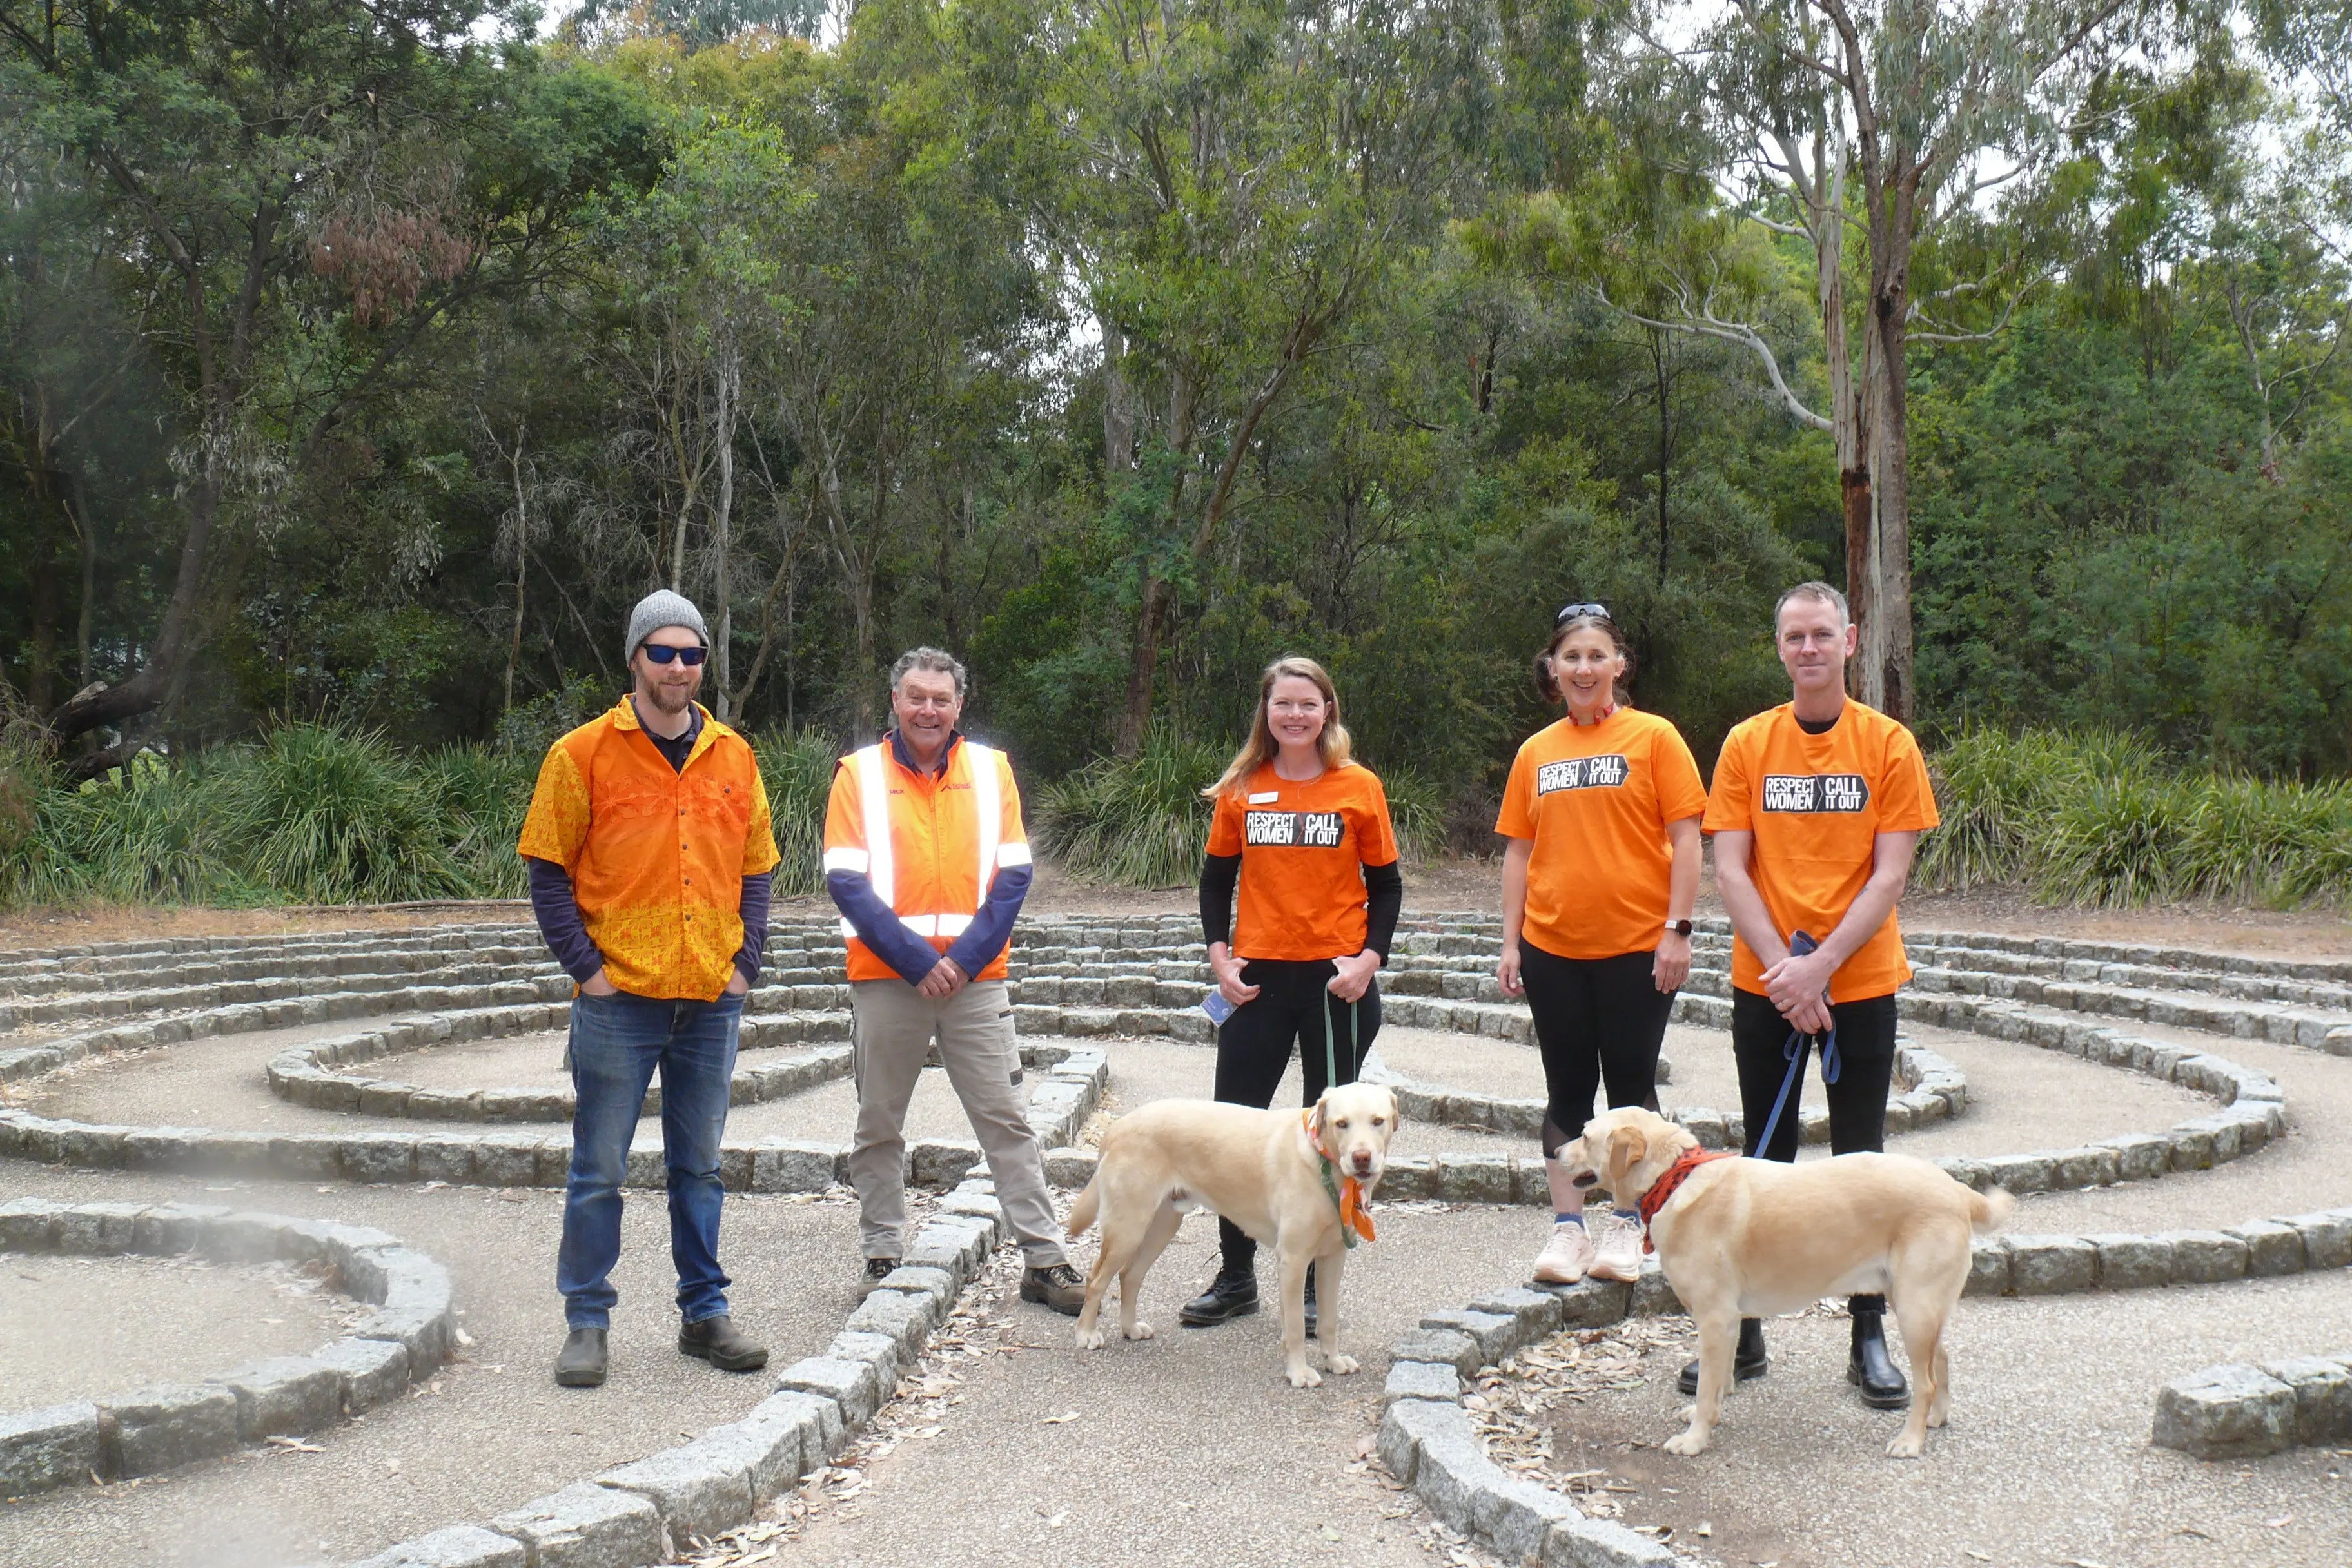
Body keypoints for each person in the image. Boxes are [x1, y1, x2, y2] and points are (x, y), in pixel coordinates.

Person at [518, 589, 781, 1389]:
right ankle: (587, 1321)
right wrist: (586, 971)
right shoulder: (582, 753)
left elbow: (759, 865)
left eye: (691, 653)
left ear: (704, 662)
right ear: (634, 658)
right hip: (618, 999)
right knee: (598, 1166)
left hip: (709, 995)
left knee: (698, 1167)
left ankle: (704, 1313)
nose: (677, 667)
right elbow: (547, 866)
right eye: (661, 652)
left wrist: (747, 963)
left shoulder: (735, 754)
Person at [1694, 581, 1941, 1407]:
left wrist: (1822, 966)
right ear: (1780, 646)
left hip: (1859, 981)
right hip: (1767, 981)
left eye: (1822, 634)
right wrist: (1785, 972)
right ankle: (1747, 1331)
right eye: (1794, 635)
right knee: (1761, 1163)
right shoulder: (1746, 743)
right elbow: (1728, 867)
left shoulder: (1888, 744)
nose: (1808, 648)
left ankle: (1868, 1332)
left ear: (1849, 639)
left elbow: (1891, 872)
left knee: (1861, 1165)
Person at [822, 647, 1086, 1313]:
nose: (928, 709)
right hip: (887, 979)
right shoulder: (858, 774)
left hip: (976, 980)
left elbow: (1013, 875)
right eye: (916, 696)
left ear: (959, 705)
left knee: (1007, 1120)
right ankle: (883, 1251)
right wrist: (917, 959)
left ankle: (1045, 1258)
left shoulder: (991, 769)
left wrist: (961, 961)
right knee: (879, 1120)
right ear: (895, 700)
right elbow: (847, 880)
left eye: (941, 698)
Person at [1181, 656, 1404, 1329]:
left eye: (1309, 704)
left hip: (1337, 985)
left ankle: (1313, 1279)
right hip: (1258, 982)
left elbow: (1387, 885)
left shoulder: (1358, 786)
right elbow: (1216, 880)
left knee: (1332, 1139)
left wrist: (1368, 961)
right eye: (1284, 704)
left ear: (1327, 710)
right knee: (1232, 1132)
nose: (1297, 715)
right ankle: (1235, 1273)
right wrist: (1220, 958)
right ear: (1267, 711)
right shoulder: (1244, 786)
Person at [1495, 603, 1705, 1286]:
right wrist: (1511, 943)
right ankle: (1566, 1231)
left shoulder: (1654, 737)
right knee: (1566, 1092)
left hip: (1636, 946)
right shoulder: (1536, 751)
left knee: (1633, 1091)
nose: (1583, 668)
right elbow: (1519, 855)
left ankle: (1631, 1222)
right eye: (1571, 657)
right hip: (1553, 947)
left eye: (1596, 656)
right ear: (1552, 669)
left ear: (1620, 664)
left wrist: (1678, 929)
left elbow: (1686, 841)